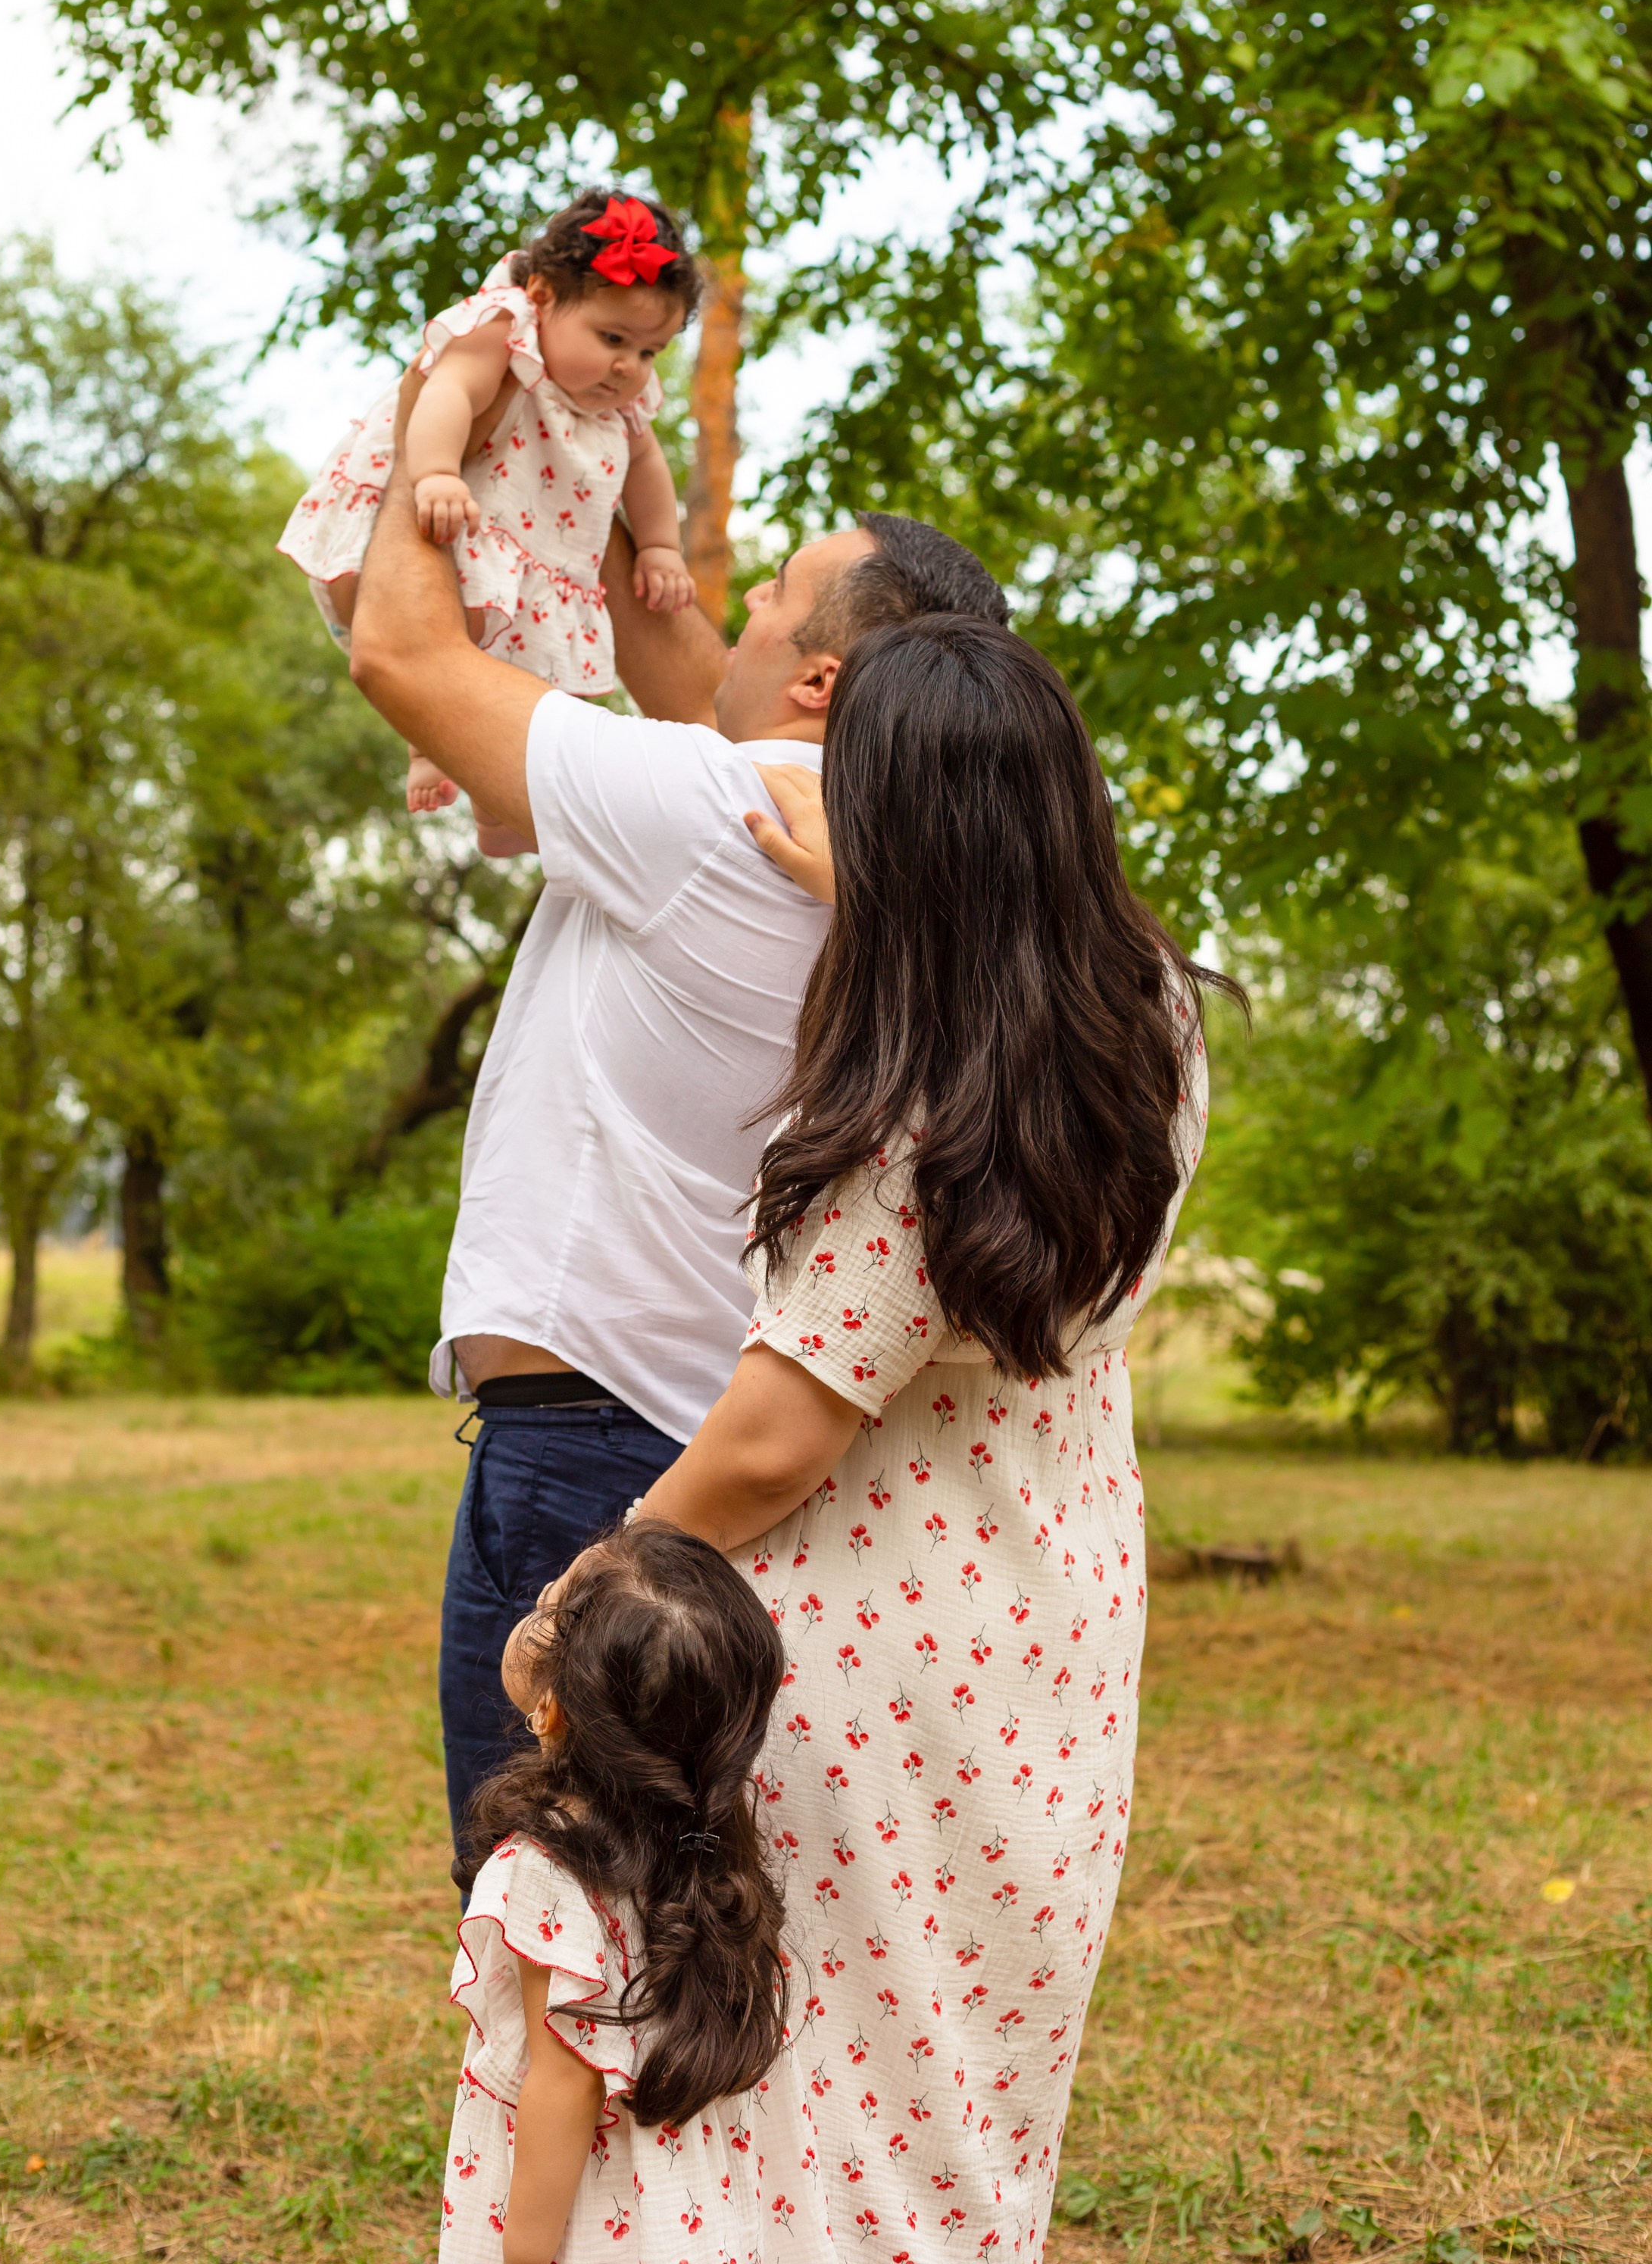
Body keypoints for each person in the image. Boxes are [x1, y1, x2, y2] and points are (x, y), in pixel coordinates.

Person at [620, 614, 1237, 2264]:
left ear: (906, 846)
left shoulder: (917, 1132)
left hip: (873, 1673)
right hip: (1050, 1620)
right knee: (971, 2085)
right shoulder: (1152, 1026)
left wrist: (590, 1589)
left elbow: (766, 1446)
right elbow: (995, 959)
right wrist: (876, 900)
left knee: (829, 2103)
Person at [345, 453, 1010, 1871]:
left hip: (593, 1441)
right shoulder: (900, 851)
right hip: (721, 1427)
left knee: (548, 1887)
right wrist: (605, 471)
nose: (735, 606)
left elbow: (398, 650)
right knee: (670, 1887)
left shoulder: (711, 809)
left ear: (819, 681)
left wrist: (436, 438)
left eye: (766, 594)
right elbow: (694, 678)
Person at [441, 1519, 830, 2264]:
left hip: (605, 2211)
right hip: (700, 2200)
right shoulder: (715, 1834)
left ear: (552, 1708)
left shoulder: (542, 1870)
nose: (538, 1610)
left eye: (550, 1609)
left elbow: (565, 2085)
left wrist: (521, 2255)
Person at [280, 187, 702, 845]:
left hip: (544, 563)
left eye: (650, 351)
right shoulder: (502, 330)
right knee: (449, 629)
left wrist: (658, 548)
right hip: (459, 522)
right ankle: (429, 744)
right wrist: (438, 474)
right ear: (541, 295)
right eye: (612, 337)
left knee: (552, 692)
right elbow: (445, 392)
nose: (629, 367)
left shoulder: (622, 397)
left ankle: (505, 804)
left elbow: (646, 467)